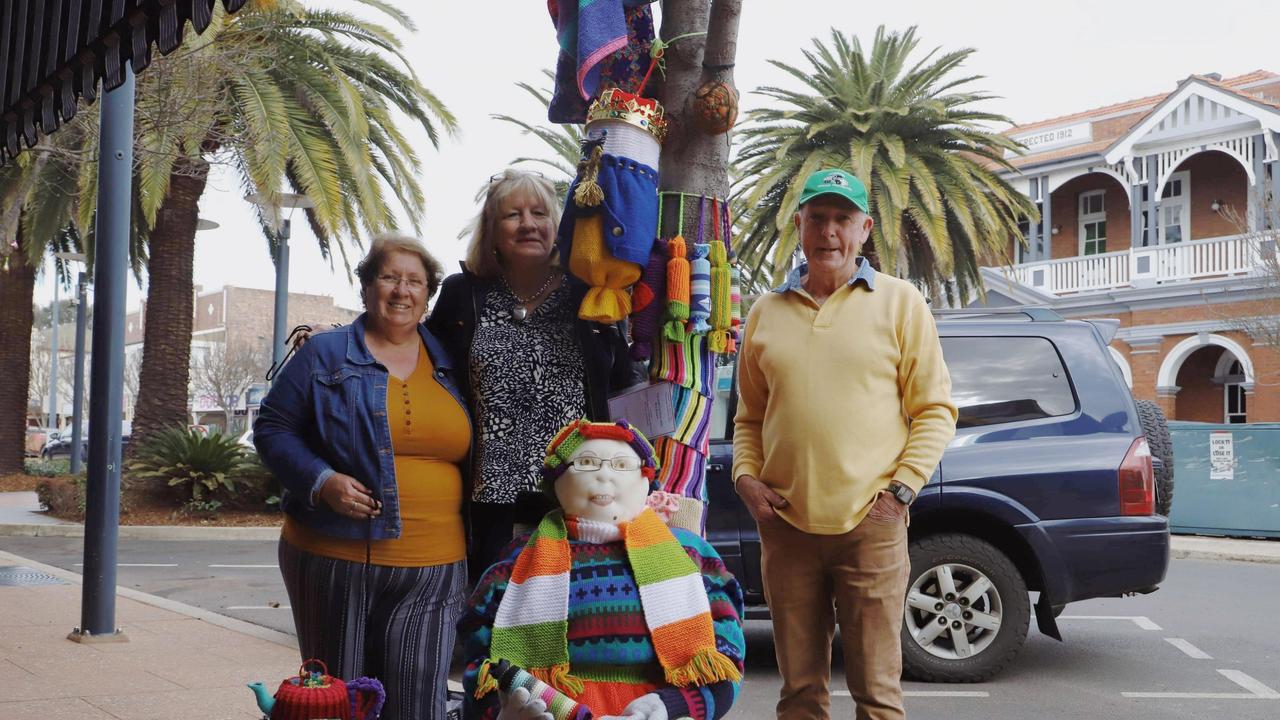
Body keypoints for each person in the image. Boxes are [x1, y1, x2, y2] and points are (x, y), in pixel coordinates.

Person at [732, 168, 958, 720]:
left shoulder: (902, 304)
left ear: (864, 230)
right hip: (786, 529)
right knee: (799, 696)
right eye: (817, 218)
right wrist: (746, 480)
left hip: (871, 528)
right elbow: (749, 419)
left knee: (878, 697)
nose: (828, 231)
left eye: (842, 219)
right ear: (800, 226)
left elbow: (934, 411)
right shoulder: (765, 312)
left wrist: (898, 496)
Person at [254, 235, 469, 720]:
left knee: (419, 705)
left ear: (428, 294)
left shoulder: (453, 361)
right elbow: (272, 428)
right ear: (367, 286)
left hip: (436, 568)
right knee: (339, 701)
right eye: (389, 277)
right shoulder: (324, 354)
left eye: (415, 281)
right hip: (334, 557)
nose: (401, 290)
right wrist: (321, 480)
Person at [427, 169, 640, 580]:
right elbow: (428, 371)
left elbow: (624, 380)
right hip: (490, 500)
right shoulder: (462, 294)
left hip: (578, 491)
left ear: (557, 226)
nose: (528, 224)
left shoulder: (590, 291)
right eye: (512, 215)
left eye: (539, 213)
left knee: (571, 614)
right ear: (492, 231)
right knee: (493, 617)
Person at [459, 419, 745, 720]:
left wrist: (674, 705)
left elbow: (727, 653)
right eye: (585, 463)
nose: (604, 475)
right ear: (555, 482)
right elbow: (480, 652)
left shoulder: (689, 554)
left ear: (647, 480)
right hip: (552, 710)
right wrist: (502, 709)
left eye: (622, 465)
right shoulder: (518, 561)